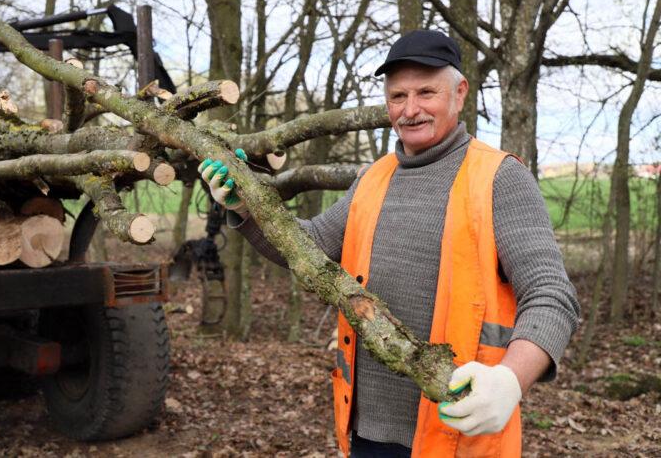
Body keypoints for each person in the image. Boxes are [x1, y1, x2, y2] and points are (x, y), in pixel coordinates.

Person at [198, 30, 580, 457]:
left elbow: (551, 294)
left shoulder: (500, 178)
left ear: (459, 93)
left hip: (459, 431)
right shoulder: (373, 178)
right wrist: (246, 207)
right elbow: (309, 246)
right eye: (398, 96)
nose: (410, 109)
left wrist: (511, 379)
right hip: (367, 432)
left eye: (425, 93)